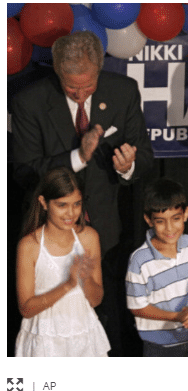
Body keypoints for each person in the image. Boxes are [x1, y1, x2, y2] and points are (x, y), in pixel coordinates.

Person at [11, 31, 154, 355]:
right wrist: (78, 157)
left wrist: (127, 165)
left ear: (99, 71)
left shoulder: (123, 91)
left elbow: (145, 155)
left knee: (105, 316)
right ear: (58, 72)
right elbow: (24, 170)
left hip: (103, 226)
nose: (79, 95)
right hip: (48, 232)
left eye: (87, 87)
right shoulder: (28, 102)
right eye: (71, 87)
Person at [15, 167, 110, 357]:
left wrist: (86, 279)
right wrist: (67, 285)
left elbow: (96, 299)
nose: (71, 213)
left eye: (77, 204)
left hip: (83, 336)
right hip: (44, 341)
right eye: (62, 205)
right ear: (43, 202)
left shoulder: (89, 237)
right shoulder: (29, 245)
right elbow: (26, 308)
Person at [125, 179, 188, 357]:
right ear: (148, 220)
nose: (169, 228)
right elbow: (137, 306)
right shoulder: (139, 260)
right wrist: (177, 317)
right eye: (160, 221)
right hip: (160, 347)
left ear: (186, 214)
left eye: (176, 219)